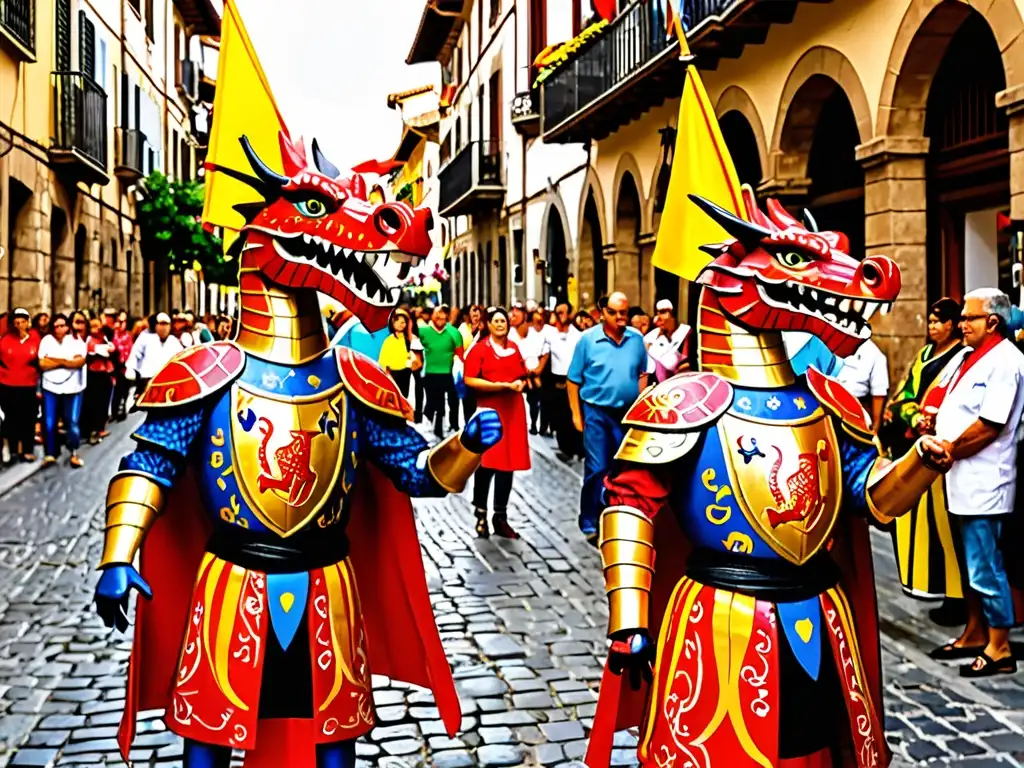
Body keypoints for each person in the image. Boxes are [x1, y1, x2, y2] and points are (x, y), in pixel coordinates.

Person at [932, 288, 1024, 677]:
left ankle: (999, 645)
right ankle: (976, 631)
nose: (961, 324)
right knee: (972, 564)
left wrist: (951, 447)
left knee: (985, 566)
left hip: (986, 478)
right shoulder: (971, 357)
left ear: (992, 322)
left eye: (968, 318)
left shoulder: (1006, 361)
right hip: (962, 477)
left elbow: (990, 424)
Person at [881, 298, 968, 618]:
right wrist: (913, 414)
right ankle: (931, 585)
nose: (932, 327)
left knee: (946, 527)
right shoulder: (923, 355)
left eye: (938, 321)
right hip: (915, 444)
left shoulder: (962, 357)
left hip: (943, 450)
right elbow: (903, 394)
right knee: (921, 525)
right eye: (930, 321)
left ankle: (957, 597)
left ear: (953, 324)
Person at [567, 291, 648, 541]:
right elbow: (573, 379)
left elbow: (642, 373)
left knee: (621, 468)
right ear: (603, 313)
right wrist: (576, 415)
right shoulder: (588, 341)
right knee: (597, 466)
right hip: (596, 411)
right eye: (613, 312)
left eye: (623, 312)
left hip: (627, 413)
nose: (619, 317)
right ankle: (590, 519)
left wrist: (642, 407)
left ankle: (615, 515)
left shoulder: (636, 339)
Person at [464, 307, 530, 539]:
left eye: (504, 320)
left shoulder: (513, 348)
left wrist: (522, 383)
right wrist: (500, 386)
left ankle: (500, 516)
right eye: (496, 321)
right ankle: (481, 511)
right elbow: (469, 379)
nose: (501, 324)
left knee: (508, 464)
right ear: (488, 324)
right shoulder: (480, 350)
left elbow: (522, 374)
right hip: (490, 411)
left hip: (512, 411)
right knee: (488, 462)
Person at [38, 313, 87, 468]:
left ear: (67, 326)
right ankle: (50, 453)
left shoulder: (76, 341)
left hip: (72, 388)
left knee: (72, 422)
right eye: (56, 326)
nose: (59, 329)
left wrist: (57, 360)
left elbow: (79, 362)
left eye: (62, 325)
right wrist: (66, 361)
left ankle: (73, 452)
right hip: (50, 387)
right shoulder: (46, 341)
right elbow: (42, 364)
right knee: (49, 422)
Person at [544, 302, 583, 460]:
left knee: (575, 414)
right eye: (558, 312)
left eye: (563, 312)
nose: (561, 315)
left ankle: (578, 448)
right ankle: (565, 448)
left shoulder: (578, 336)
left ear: (570, 314)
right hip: (557, 380)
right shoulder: (551, 335)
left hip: (574, 380)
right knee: (559, 416)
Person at [0, 308, 39, 463]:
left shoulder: (36, 338)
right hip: (7, 384)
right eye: (16, 322)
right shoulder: (5, 340)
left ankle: (27, 449)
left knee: (28, 418)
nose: (20, 325)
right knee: (11, 418)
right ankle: (14, 449)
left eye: (23, 321)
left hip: (28, 384)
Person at [420, 304, 464, 439]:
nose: (440, 317)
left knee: (453, 401)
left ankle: (455, 425)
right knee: (437, 402)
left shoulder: (454, 332)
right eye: (437, 313)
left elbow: (460, 352)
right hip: (431, 373)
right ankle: (437, 428)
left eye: (443, 314)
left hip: (449, 373)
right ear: (432, 315)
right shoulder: (423, 331)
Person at [510, 308, 549, 435]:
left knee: (534, 396)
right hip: (516, 372)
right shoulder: (509, 334)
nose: (513, 316)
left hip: (533, 371)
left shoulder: (536, 334)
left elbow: (544, 353)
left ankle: (533, 423)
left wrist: (538, 370)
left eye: (516, 314)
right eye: (512, 314)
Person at [837, 335, 889, 428]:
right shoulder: (827, 342)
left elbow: (879, 394)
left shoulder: (874, 353)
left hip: (856, 410)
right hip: (825, 403)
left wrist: (875, 427)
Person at [126, 313, 184, 393]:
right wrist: (131, 369)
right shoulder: (145, 337)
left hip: (167, 383)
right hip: (147, 381)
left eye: (166, 324)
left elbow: (181, 358)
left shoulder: (173, 341)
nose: (163, 327)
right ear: (156, 325)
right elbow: (135, 355)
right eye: (161, 324)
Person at [83, 318, 116, 444]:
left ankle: (101, 427)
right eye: (93, 326)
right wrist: (103, 350)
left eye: (98, 326)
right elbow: (100, 352)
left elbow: (111, 350)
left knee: (104, 401)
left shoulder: (104, 338)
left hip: (105, 373)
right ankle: (93, 430)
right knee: (94, 403)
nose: (96, 329)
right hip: (94, 374)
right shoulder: (90, 340)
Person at [644, 299, 691, 383]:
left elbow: (674, 364)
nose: (659, 318)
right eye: (657, 313)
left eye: (663, 312)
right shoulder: (650, 337)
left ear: (673, 314)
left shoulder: (685, 332)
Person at [378, 308, 422, 397]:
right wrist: (385, 372)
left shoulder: (409, 339)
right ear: (392, 323)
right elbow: (383, 359)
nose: (400, 324)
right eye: (397, 321)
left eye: (403, 322)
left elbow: (415, 356)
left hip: (405, 371)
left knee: (404, 395)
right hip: (392, 373)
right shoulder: (388, 340)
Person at [111, 311, 135, 422]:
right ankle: (114, 411)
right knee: (116, 391)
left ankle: (121, 409)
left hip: (125, 367)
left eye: (123, 321)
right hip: (114, 366)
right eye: (119, 321)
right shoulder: (112, 335)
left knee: (124, 390)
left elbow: (131, 351)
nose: (121, 324)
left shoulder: (128, 336)